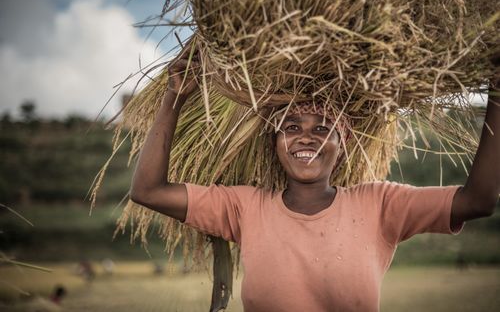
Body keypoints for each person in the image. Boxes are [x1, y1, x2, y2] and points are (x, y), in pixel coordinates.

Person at [129, 50, 499, 311]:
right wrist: (173, 97)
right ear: (274, 142)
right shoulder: (244, 207)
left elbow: (477, 201)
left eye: (323, 128)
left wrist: (497, 95)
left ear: (344, 142)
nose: (307, 137)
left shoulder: (379, 204)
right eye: (291, 127)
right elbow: (147, 191)